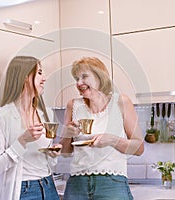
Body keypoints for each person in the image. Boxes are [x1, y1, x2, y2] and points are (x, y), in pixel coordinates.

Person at [60, 57, 144, 200]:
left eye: (84, 76)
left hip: (112, 183)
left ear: (100, 77)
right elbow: (65, 152)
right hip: (77, 183)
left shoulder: (121, 102)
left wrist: (112, 140)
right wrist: (68, 134)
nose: (79, 83)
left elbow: (139, 148)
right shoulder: (73, 105)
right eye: (76, 78)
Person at [0, 56, 62, 200]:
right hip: (24, 190)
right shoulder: (2, 117)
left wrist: (53, 155)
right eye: (39, 73)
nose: (44, 78)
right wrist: (21, 141)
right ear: (25, 77)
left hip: (49, 186)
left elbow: (47, 162)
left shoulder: (45, 114)